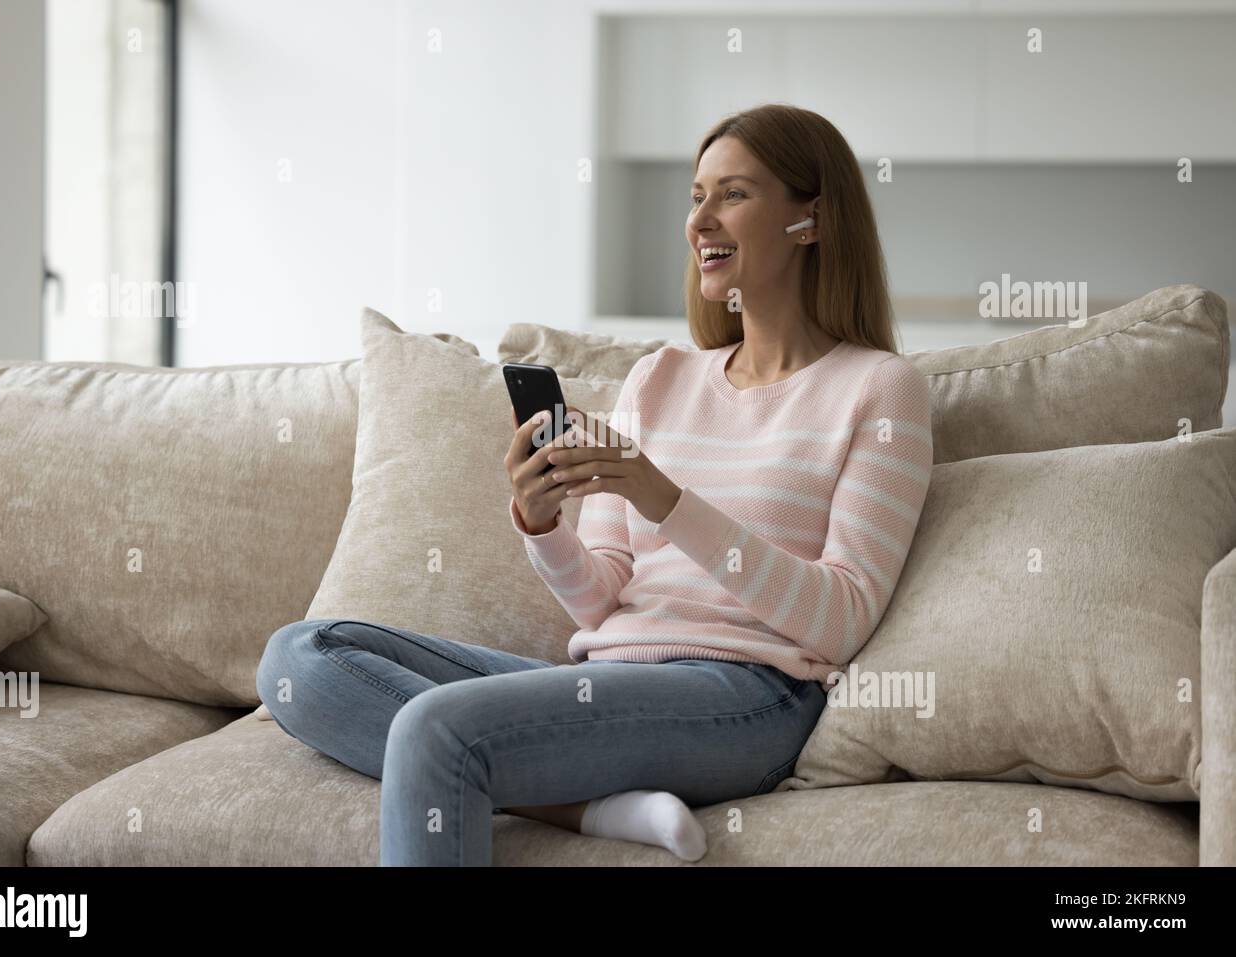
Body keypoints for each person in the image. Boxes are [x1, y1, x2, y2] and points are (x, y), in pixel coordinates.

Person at [256, 103, 934, 867]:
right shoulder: (659, 379)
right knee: (300, 658)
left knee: (434, 726)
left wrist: (664, 499)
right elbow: (600, 600)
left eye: (734, 194)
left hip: (749, 696)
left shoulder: (879, 388)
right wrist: (542, 523)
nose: (700, 220)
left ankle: (544, 788)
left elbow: (840, 618)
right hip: (611, 673)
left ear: (811, 220)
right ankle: (586, 805)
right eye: (696, 197)